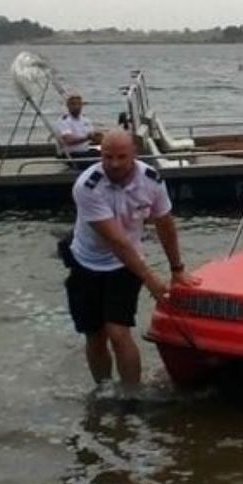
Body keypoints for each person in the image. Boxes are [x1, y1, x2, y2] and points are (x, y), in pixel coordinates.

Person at [64, 129, 192, 386]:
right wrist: (151, 280)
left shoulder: (152, 180)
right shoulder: (87, 186)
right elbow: (116, 240)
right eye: (108, 157)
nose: (114, 164)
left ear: (134, 153)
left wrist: (177, 268)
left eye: (122, 157)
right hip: (87, 261)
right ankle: (103, 388)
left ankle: (132, 395)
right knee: (95, 334)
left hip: (126, 265)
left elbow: (164, 223)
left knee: (118, 331)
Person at [55, 92, 98, 158]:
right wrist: (87, 138)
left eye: (79, 104)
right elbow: (68, 140)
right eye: (73, 104)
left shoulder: (86, 120)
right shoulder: (64, 121)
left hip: (85, 151)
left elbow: (93, 137)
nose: (76, 106)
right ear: (68, 105)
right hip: (70, 155)